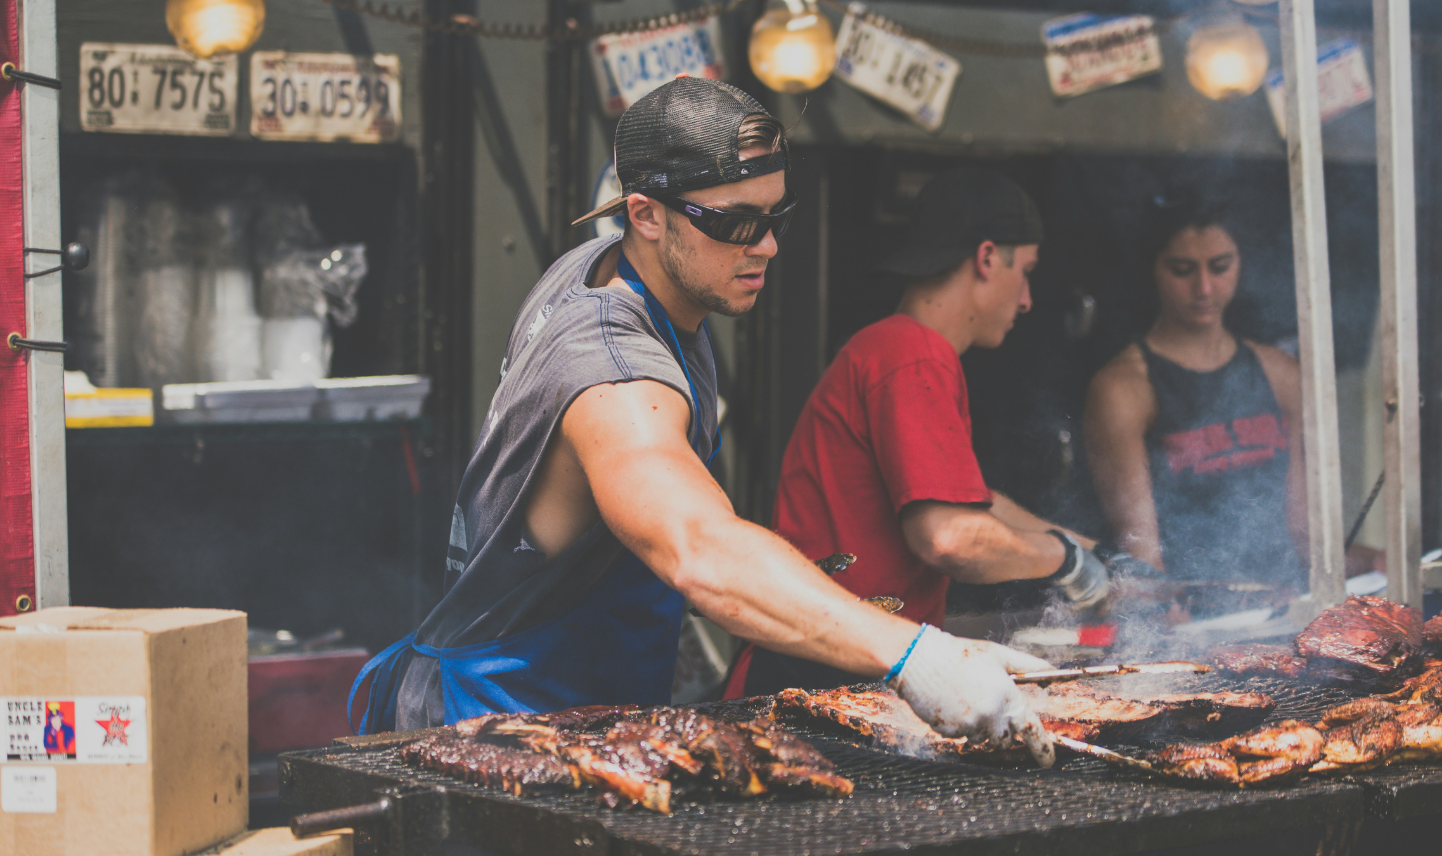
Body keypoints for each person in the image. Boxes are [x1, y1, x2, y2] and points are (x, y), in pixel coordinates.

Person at [350, 79, 1060, 766]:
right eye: (736, 224)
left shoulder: (616, 267)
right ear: (646, 213)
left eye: (775, 218)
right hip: (498, 722)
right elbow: (698, 547)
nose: (767, 247)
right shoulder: (615, 372)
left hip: (589, 714)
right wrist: (916, 654)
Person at [728, 167, 1132, 698]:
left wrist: (1101, 552)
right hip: (821, 679)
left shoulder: (895, 348)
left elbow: (975, 505)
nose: (1028, 298)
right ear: (987, 258)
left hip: (833, 669)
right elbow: (951, 538)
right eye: (1026, 271)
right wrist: (1069, 564)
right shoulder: (912, 354)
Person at [1084, 198, 1373, 588]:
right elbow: (1144, 564)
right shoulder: (1124, 389)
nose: (1204, 287)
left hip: (1282, 611)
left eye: (1220, 267)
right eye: (1182, 270)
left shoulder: (1281, 374)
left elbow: (1302, 534)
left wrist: (1377, 560)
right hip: (1191, 619)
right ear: (1153, 269)